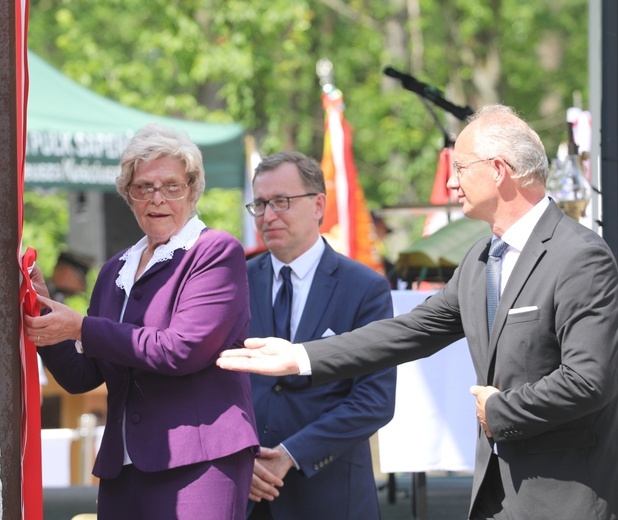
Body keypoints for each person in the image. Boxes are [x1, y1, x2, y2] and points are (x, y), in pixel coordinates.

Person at [218, 105, 618, 520]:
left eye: (460, 167)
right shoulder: (482, 258)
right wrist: (300, 357)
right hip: (497, 497)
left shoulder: (580, 255)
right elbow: (410, 330)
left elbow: (589, 381)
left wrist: (501, 412)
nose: (451, 181)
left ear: (498, 169)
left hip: (565, 495)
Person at [25, 123, 259, 520]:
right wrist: (42, 311)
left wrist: (80, 327)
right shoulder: (115, 268)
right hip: (123, 466)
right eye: (143, 187)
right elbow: (84, 375)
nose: (157, 198)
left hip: (199, 462)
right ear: (128, 196)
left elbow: (181, 349)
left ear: (193, 188)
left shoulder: (215, 252)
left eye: (171, 186)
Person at [243, 151, 396, 519]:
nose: (268, 215)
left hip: (329, 495)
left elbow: (374, 400)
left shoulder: (364, 289)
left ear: (318, 205)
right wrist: (237, 457)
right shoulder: (234, 282)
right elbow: (212, 386)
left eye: (281, 201)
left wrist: (291, 454)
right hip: (245, 492)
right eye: (260, 204)